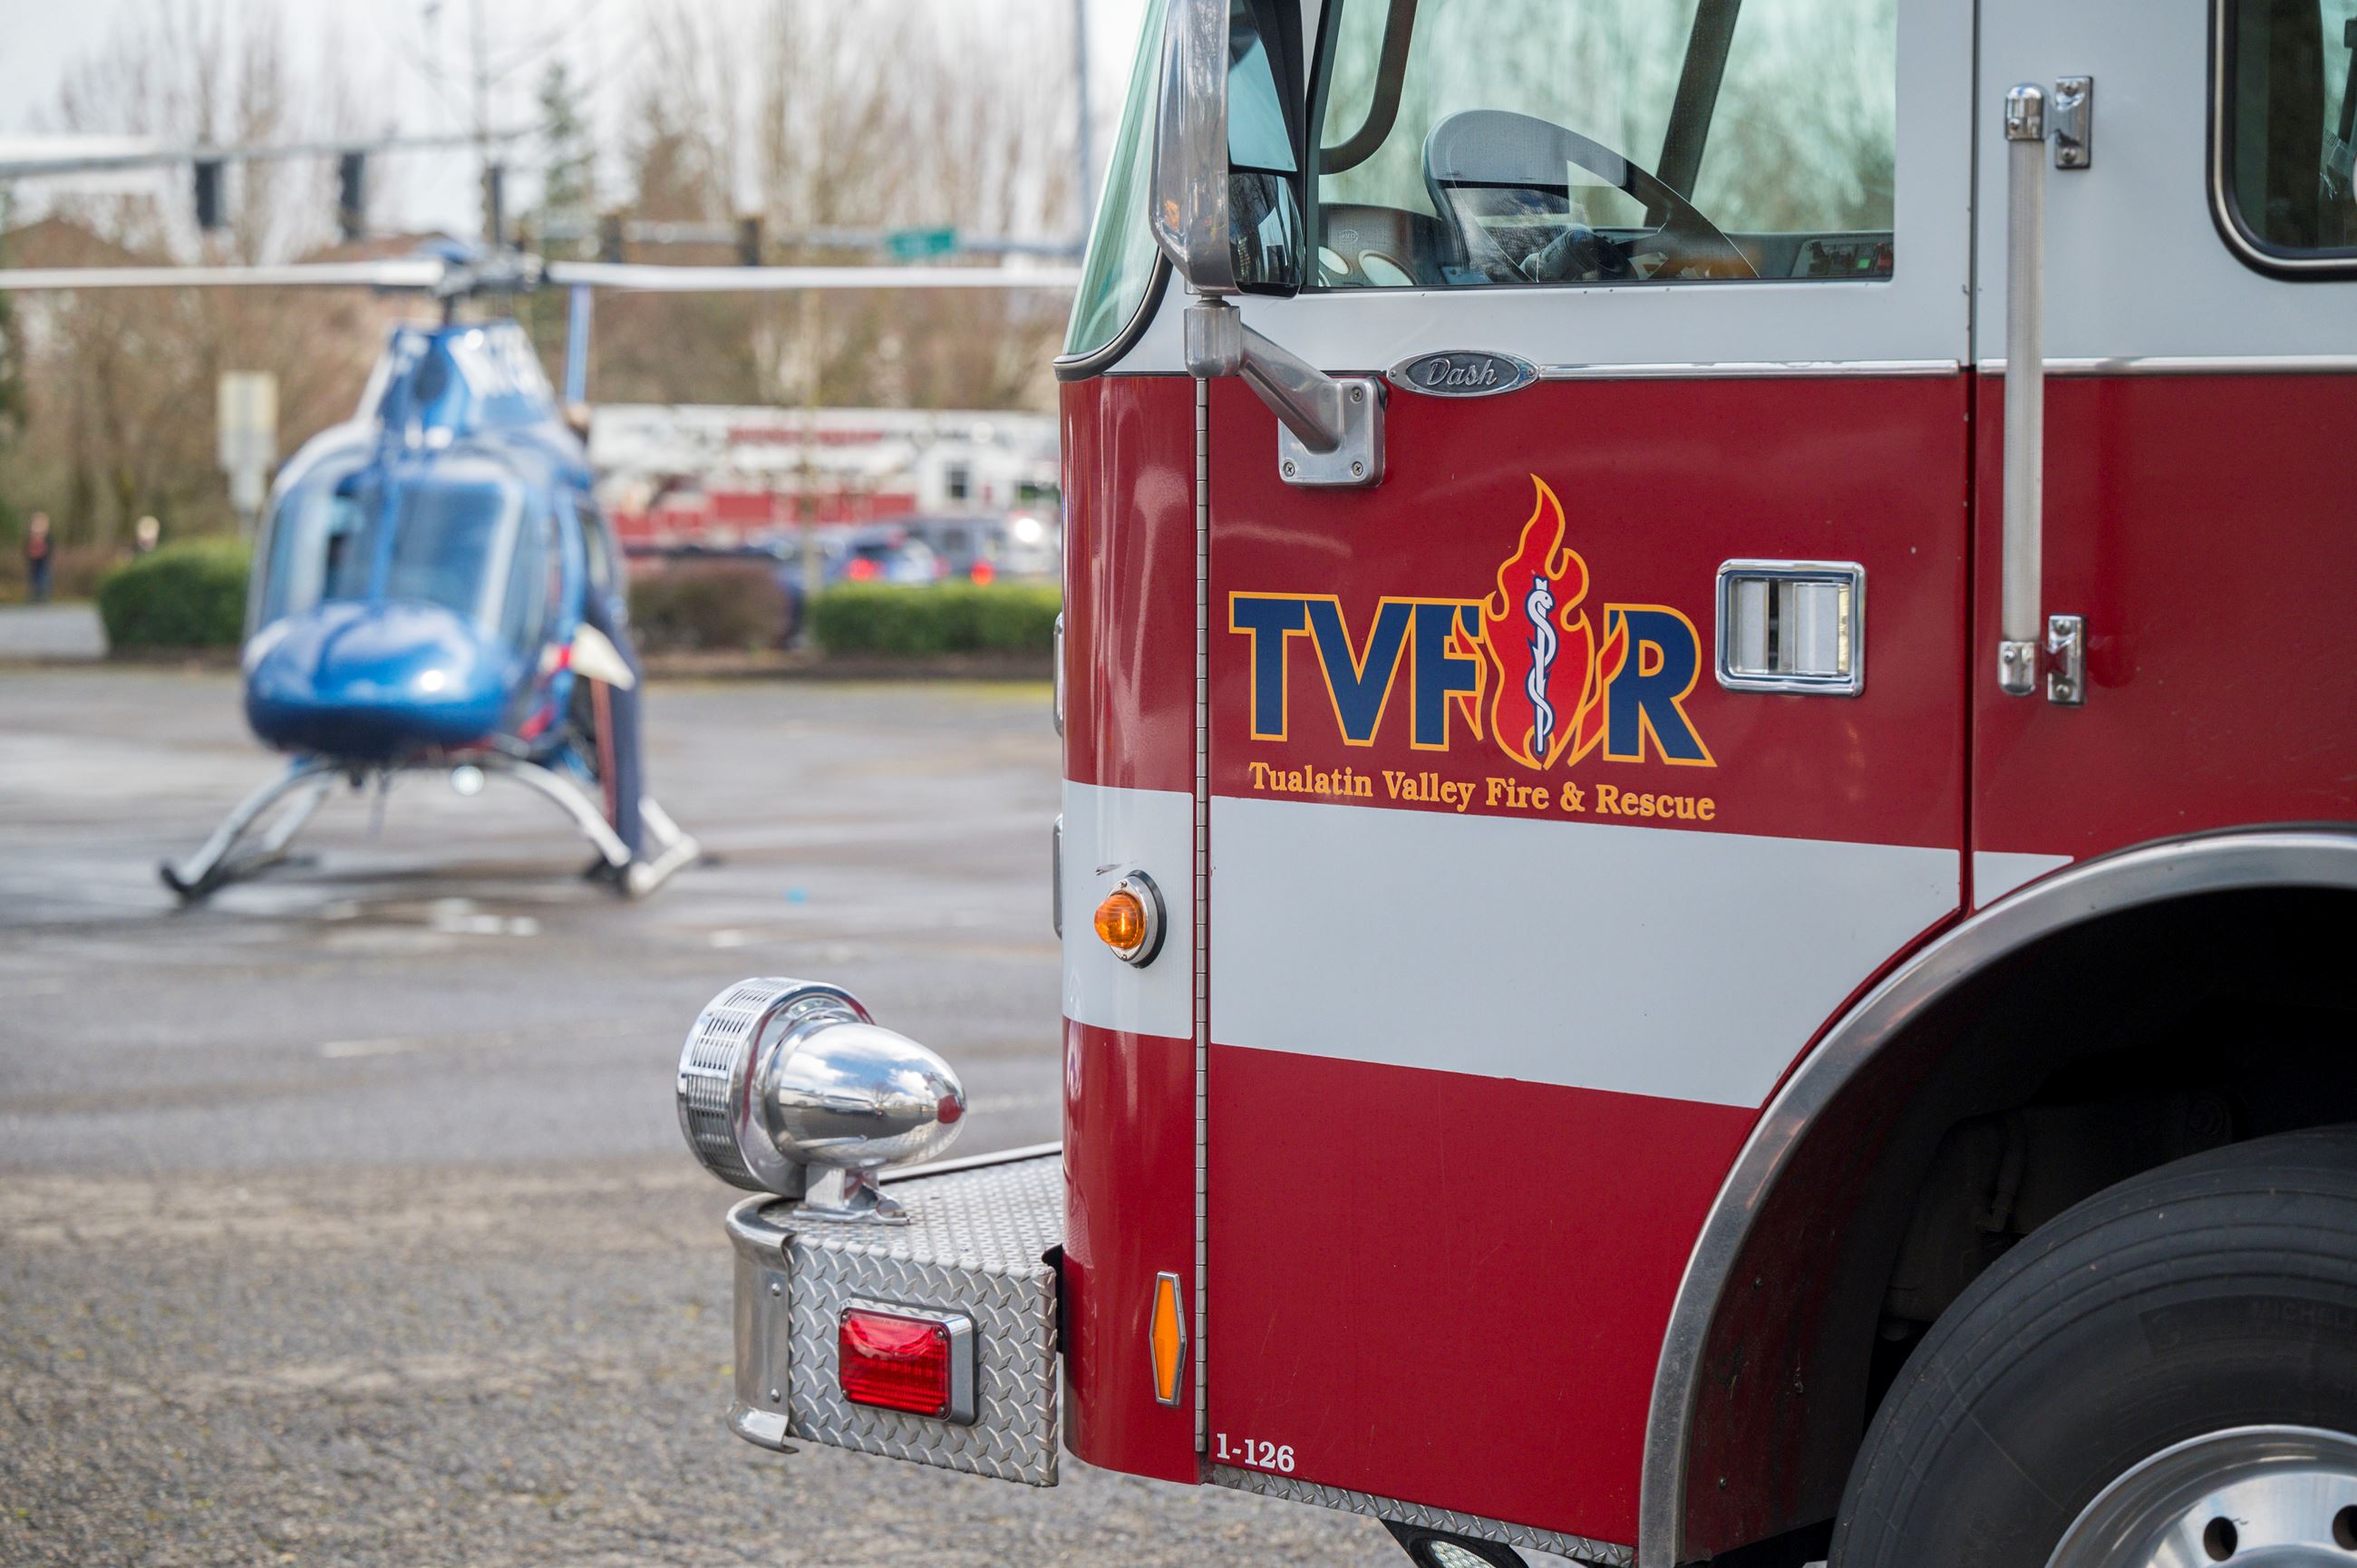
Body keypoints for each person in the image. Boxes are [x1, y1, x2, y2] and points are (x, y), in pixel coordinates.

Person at [24, 512, 53, 603]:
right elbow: (26, 547)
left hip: (43, 559)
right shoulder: (31, 537)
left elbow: (50, 548)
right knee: (33, 576)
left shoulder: (47, 537)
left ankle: (42, 595)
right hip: (33, 559)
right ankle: (34, 595)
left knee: (43, 576)